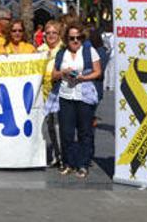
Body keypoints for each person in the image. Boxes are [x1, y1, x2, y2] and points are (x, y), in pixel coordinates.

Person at [51, 23, 101, 178]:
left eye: (78, 37)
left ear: (82, 37)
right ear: (66, 38)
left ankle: (82, 164)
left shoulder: (89, 51)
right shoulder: (61, 53)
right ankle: (68, 163)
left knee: (84, 131)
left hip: (84, 95)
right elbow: (53, 75)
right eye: (71, 38)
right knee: (66, 132)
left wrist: (83, 77)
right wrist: (63, 73)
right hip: (66, 95)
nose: (75, 41)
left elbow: (98, 72)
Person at [38, 20, 64, 168]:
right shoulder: (40, 50)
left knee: (59, 126)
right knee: (50, 127)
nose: (51, 36)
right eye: (48, 33)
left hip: (59, 92)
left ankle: (63, 156)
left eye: (54, 33)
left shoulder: (63, 50)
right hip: (45, 92)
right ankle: (56, 154)